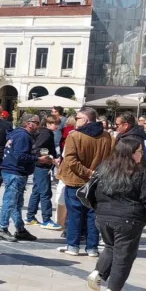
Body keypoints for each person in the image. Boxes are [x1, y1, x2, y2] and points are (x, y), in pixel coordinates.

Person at [86, 136, 146, 291]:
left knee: (111, 246)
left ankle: (98, 274)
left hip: (103, 216)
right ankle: (114, 290)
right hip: (128, 219)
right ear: (131, 153)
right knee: (124, 254)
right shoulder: (139, 173)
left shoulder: (103, 168)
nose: (142, 155)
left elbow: (91, 191)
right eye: (140, 152)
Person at [58, 107, 113, 257]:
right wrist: (96, 173)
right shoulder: (107, 136)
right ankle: (92, 248)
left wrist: (88, 172)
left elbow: (70, 160)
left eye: (77, 118)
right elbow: (110, 159)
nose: (75, 121)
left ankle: (73, 246)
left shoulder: (74, 136)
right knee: (93, 214)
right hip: (97, 181)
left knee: (75, 213)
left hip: (76, 180)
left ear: (86, 120)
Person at [0, 113, 51, 242]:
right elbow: (20, 156)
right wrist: (38, 159)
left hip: (14, 172)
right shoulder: (23, 136)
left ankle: (20, 229)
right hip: (14, 172)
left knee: (16, 203)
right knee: (10, 201)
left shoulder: (17, 134)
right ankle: (2, 228)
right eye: (36, 122)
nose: (39, 125)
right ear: (28, 124)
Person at [25, 115, 61, 230]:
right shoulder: (46, 134)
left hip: (40, 165)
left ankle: (30, 216)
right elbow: (38, 148)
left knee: (36, 191)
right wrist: (50, 158)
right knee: (45, 193)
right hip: (42, 165)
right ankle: (46, 219)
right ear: (48, 124)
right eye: (55, 124)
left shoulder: (43, 132)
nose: (57, 126)